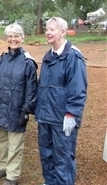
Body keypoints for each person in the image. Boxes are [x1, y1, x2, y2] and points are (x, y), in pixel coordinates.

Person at [35, 17, 87, 185]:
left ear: (63, 32)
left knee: (63, 157)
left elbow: (78, 88)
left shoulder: (73, 57)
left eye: (52, 29)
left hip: (62, 118)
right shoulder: (48, 56)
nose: (48, 32)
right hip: (45, 117)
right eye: (47, 29)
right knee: (46, 154)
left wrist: (71, 114)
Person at [0, 23, 38, 185]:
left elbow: (32, 89)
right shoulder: (1, 60)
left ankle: (12, 176)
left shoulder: (28, 62)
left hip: (17, 110)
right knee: (2, 141)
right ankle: (3, 167)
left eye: (16, 36)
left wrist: (26, 110)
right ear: (6, 38)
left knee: (15, 145)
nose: (13, 39)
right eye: (10, 36)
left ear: (22, 38)